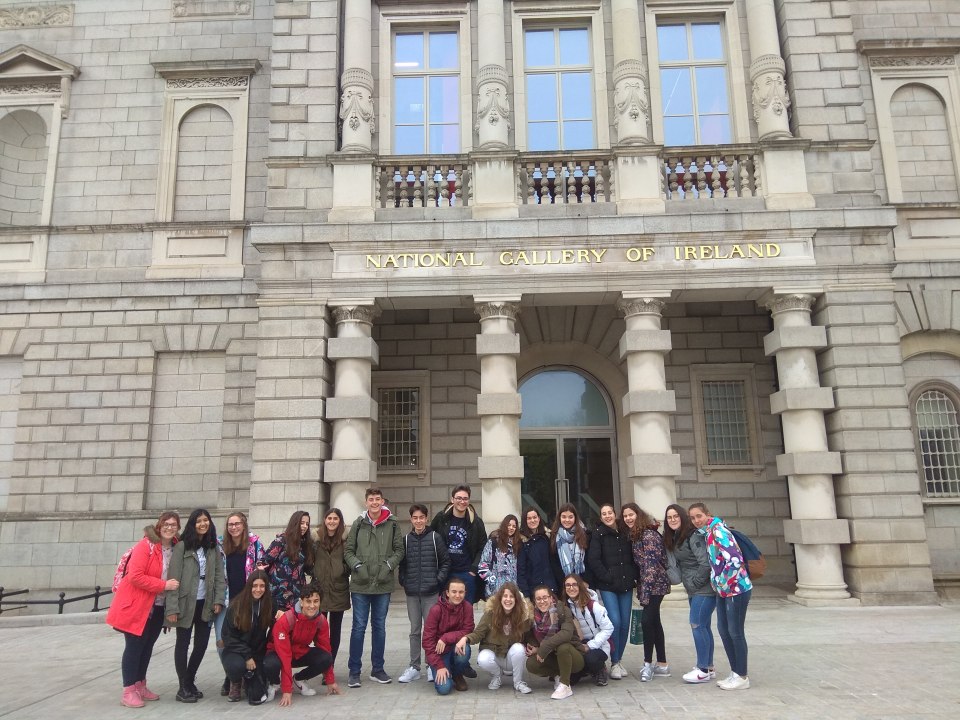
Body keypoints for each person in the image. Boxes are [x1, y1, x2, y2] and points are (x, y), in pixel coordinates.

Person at [106, 512, 181, 708]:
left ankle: (140, 684)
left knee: (147, 646)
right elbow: (135, 576)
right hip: (137, 605)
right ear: (159, 525)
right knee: (134, 647)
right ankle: (128, 690)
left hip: (158, 606)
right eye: (166, 524)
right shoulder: (146, 545)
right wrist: (164, 585)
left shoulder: (176, 547)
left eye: (173, 524)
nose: (169, 527)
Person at [689, 502, 752, 691]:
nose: (696, 520)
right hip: (724, 590)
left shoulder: (718, 531)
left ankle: (742, 676)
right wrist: (719, 585)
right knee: (724, 630)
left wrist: (721, 582)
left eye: (699, 516)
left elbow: (734, 560)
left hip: (736, 589)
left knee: (735, 632)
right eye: (692, 518)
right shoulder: (708, 532)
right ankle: (735, 672)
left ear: (707, 514)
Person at [344, 487, 404, 688]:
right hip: (360, 584)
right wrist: (357, 566)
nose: (375, 502)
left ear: (382, 501)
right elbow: (348, 551)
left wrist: (388, 567)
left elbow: (399, 550)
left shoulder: (393, 523)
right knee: (358, 627)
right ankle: (354, 671)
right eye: (371, 499)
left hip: (382, 583)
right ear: (366, 502)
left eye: (378, 499)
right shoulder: (358, 523)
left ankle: (378, 669)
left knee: (379, 627)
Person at [165, 508, 226, 703]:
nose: (203, 524)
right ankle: (182, 687)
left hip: (205, 603)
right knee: (182, 644)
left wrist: (218, 600)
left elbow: (219, 576)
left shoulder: (213, 547)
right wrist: (172, 608)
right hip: (185, 603)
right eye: (199, 521)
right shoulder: (182, 547)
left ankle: (189, 680)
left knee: (201, 645)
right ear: (193, 524)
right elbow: (173, 578)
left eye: (205, 520)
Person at [263, 580, 341, 705]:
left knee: (326, 657)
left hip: (299, 653)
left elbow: (325, 647)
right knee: (270, 664)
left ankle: (299, 679)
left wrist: (330, 680)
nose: (312, 606)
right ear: (301, 602)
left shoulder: (321, 620)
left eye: (316, 601)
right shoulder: (285, 620)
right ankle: (274, 683)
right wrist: (287, 690)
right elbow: (285, 656)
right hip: (278, 654)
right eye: (308, 601)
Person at [663, 504, 716, 684]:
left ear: (682, 517)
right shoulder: (678, 536)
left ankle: (702, 670)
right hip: (695, 589)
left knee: (697, 625)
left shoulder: (693, 536)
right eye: (669, 517)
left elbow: (705, 563)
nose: (673, 520)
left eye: (676, 516)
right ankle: (708, 667)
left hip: (703, 589)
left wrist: (694, 583)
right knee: (704, 627)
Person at [398, 503, 450, 683]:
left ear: (427, 518)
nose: (418, 521)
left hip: (431, 593)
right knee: (414, 630)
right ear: (411, 519)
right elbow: (402, 565)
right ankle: (414, 667)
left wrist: (437, 580)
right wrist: (403, 580)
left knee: (431, 630)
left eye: (421, 517)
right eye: (415, 518)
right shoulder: (406, 540)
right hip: (412, 593)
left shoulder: (435, 538)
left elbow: (445, 562)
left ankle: (431, 665)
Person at [585, 503, 636, 680]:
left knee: (625, 624)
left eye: (610, 513)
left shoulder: (625, 532)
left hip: (626, 584)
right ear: (601, 517)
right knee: (615, 621)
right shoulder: (598, 534)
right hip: (608, 586)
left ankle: (618, 660)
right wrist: (607, 577)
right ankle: (613, 662)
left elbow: (633, 557)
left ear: (615, 514)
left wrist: (632, 576)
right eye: (604, 514)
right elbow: (594, 559)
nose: (607, 516)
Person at [215, 511, 264, 696]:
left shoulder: (255, 544)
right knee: (222, 641)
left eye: (237, 524)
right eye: (230, 524)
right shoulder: (219, 546)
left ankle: (240, 677)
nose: (234, 527)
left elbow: (261, 570)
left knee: (245, 639)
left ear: (244, 525)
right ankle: (231, 675)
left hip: (247, 602)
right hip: (225, 601)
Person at [456, 581, 533, 694]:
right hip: (495, 655)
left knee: (519, 648)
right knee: (482, 658)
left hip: (511, 657)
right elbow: (478, 633)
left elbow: (529, 635)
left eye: (511, 596)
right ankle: (497, 676)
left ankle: (518, 682)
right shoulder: (490, 614)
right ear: (500, 598)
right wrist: (465, 638)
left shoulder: (521, 616)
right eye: (505, 596)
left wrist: (526, 614)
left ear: (516, 600)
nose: (508, 599)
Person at [623, 502, 671, 682]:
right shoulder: (636, 534)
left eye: (631, 514)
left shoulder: (648, 535)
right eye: (625, 516)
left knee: (646, 621)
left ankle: (648, 663)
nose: (628, 518)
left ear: (638, 515)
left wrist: (646, 592)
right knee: (655, 621)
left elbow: (651, 566)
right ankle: (663, 664)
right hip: (648, 584)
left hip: (656, 585)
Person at [220, 570, 273, 702]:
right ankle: (235, 681)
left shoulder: (270, 603)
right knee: (237, 666)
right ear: (249, 586)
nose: (258, 590)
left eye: (262, 586)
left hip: (257, 652)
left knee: (257, 696)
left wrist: (282, 614)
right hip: (235, 650)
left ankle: (248, 680)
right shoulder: (236, 605)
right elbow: (227, 636)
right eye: (255, 586)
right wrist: (247, 656)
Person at [524, 585, 585, 700]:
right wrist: (536, 647)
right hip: (552, 656)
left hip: (573, 656)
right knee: (531, 664)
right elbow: (529, 636)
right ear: (534, 601)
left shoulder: (562, 610)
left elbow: (566, 634)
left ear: (551, 598)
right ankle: (559, 675)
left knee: (563, 646)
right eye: (538, 599)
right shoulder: (532, 615)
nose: (542, 601)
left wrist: (544, 647)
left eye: (545, 597)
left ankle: (565, 685)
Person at [430, 484, 487, 603]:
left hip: (467, 573)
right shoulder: (441, 518)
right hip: (445, 572)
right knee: (444, 608)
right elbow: (430, 539)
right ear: (452, 499)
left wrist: (473, 569)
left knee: (466, 609)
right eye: (459, 498)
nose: (462, 501)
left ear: (469, 500)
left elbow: (483, 547)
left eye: (465, 498)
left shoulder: (476, 522)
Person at [422, 577, 475, 694]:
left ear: (465, 593)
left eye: (461, 592)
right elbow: (427, 641)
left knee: (465, 650)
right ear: (447, 593)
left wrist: (446, 638)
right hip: (439, 653)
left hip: (456, 647)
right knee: (444, 689)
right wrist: (439, 666)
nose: (457, 595)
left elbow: (469, 629)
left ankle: (457, 674)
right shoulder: (436, 610)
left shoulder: (467, 607)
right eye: (454, 592)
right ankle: (445, 671)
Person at [562, 573, 614, 686]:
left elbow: (608, 628)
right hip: (580, 643)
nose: (571, 588)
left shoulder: (593, 606)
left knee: (591, 659)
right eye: (568, 585)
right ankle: (584, 670)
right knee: (572, 677)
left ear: (580, 586)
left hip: (599, 645)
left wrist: (590, 645)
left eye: (574, 584)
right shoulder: (566, 606)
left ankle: (600, 669)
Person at [259, 510, 315, 616]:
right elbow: (263, 563)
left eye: (307, 524)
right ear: (295, 523)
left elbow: (307, 567)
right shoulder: (281, 541)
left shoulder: (305, 544)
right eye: (302, 523)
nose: (305, 526)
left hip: (297, 596)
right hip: (278, 596)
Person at [313, 508, 350, 664]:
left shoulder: (345, 539)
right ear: (325, 520)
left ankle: (330, 664)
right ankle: (322, 661)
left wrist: (342, 570)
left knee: (335, 630)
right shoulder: (316, 538)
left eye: (335, 518)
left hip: (338, 589)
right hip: (319, 590)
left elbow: (349, 559)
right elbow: (308, 559)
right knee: (318, 629)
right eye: (329, 518)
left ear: (340, 521)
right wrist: (315, 571)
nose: (332, 521)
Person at [477, 514, 520, 599]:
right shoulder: (493, 542)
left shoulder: (518, 544)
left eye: (514, 526)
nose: (511, 528)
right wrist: (493, 581)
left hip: (512, 592)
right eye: (509, 525)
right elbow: (482, 566)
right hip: (494, 592)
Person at [517, 506, 556, 598]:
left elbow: (554, 564)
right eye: (529, 518)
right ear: (525, 521)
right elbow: (521, 570)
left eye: (535, 517)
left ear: (539, 518)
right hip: (532, 590)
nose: (532, 520)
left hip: (550, 588)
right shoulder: (521, 541)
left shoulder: (547, 537)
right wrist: (525, 593)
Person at [550, 503, 591, 588]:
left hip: (584, 583)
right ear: (559, 518)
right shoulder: (554, 536)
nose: (567, 520)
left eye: (570, 517)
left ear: (575, 518)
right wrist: (566, 582)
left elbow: (589, 560)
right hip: (563, 584)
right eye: (564, 517)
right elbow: (554, 563)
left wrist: (584, 581)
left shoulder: (586, 535)